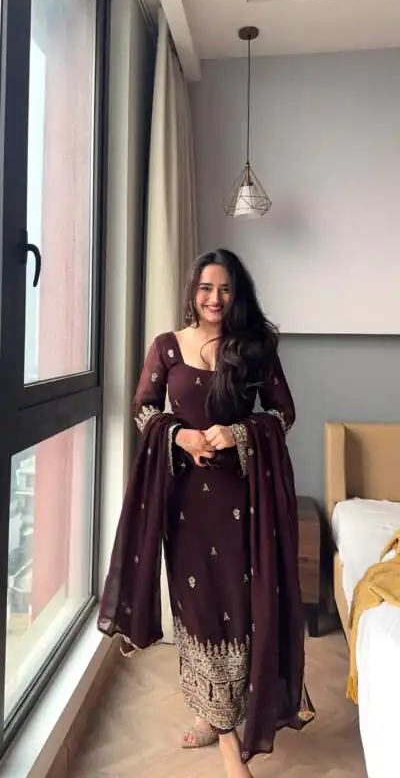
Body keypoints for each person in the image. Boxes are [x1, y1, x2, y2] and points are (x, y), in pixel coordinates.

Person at [98, 249, 315, 778]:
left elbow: (283, 413)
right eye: (205, 288)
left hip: (243, 501)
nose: (214, 299)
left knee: (239, 610)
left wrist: (238, 432)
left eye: (224, 289)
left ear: (237, 294)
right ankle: (223, 735)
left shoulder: (255, 348)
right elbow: (144, 408)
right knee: (197, 609)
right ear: (193, 292)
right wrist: (180, 435)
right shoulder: (167, 347)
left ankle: (220, 716)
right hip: (186, 503)